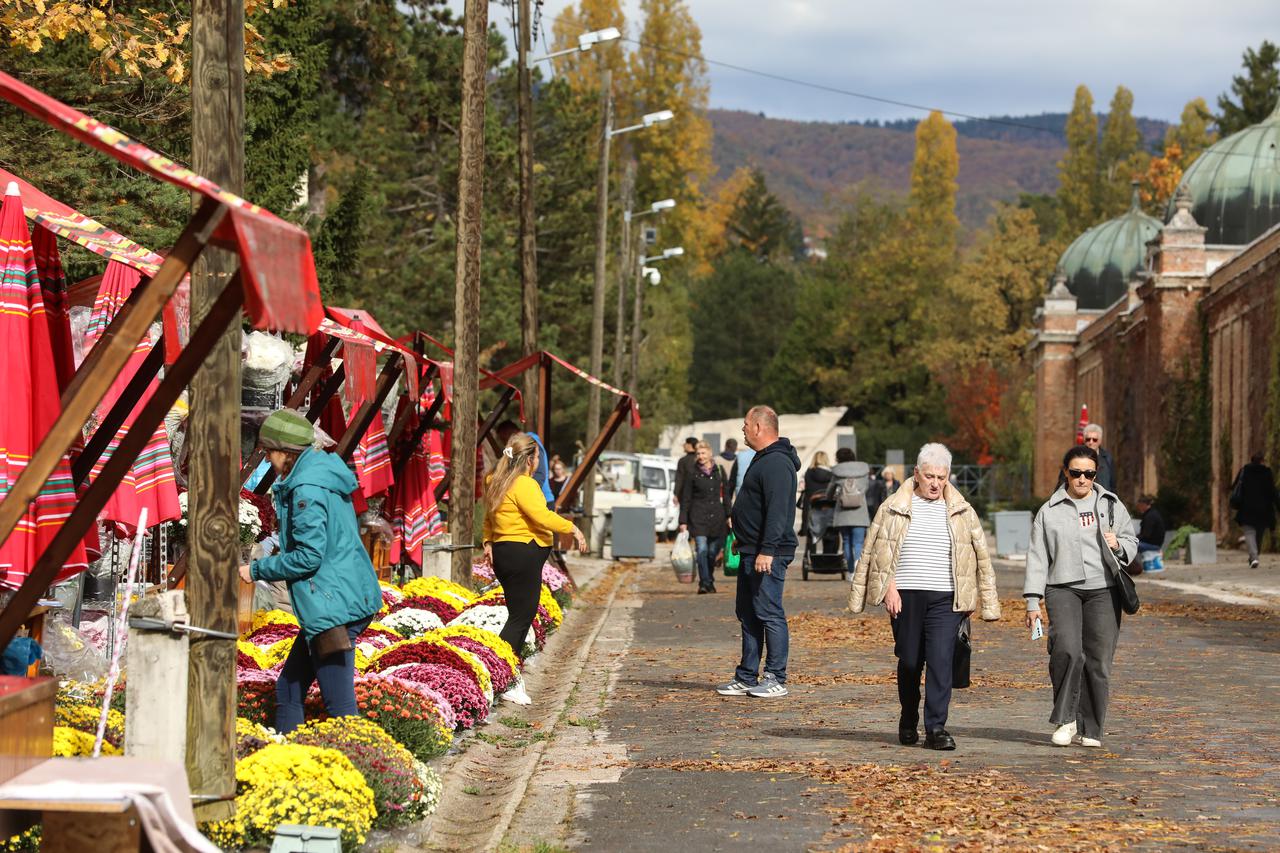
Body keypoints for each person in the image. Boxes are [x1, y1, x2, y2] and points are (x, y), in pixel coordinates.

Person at [238, 409, 382, 734]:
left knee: (340, 708)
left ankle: (359, 769)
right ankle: (290, 762)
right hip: (338, 597)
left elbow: (308, 557)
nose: (268, 459)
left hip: (333, 606)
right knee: (288, 689)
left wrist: (256, 569)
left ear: (284, 453)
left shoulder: (306, 489)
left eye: (268, 452)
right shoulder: (321, 473)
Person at [849, 443, 1000, 751]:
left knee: (941, 661)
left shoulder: (961, 511)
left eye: (941, 477)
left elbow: (980, 556)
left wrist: (976, 598)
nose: (935, 483)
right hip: (905, 596)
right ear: (916, 474)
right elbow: (875, 551)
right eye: (929, 475)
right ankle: (908, 717)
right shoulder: (893, 506)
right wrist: (888, 586)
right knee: (909, 662)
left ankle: (936, 728)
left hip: (946, 597)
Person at [1024, 445, 1138, 749]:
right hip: (1062, 588)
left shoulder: (1111, 504)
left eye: (1088, 473)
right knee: (1067, 650)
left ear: (1095, 474)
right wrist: (1033, 601)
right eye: (1076, 473)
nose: (1082, 479)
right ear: (1065, 473)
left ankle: (1092, 728)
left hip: (1104, 590)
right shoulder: (1049, 511)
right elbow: (1037, 557)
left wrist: (1119, 545)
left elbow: (1131, 541)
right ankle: (1066, 719)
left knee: (1098, 661)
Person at [482, 433, 587, 704]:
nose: (540, 462)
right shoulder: (524, 484)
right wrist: (572, 527)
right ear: (529, 459)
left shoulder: (494, 480)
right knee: (520, 619)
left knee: (516, 615)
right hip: (523, 554)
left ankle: (507, 674)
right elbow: (541, 515)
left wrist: (488, 541)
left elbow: (488, 517)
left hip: (506, 553)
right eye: (538, 456)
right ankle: (502, 677)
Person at [716, 406, 800, 700]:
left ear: (759, 427)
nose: (742, 430)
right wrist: (744, 539)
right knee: (748, 613)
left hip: (769, 553)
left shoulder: (777, 462)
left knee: (768, 612)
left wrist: (767, 549)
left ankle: (776, 676)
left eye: (745, 424)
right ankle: (747, 675)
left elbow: (778, 512)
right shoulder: (761, 458)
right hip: (751, 549)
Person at [680, 441, 731, 594]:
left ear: (710, 453)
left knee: (711, 553)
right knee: (701, 549)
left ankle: (708, 579)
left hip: (717, 518)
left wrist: (729, 515)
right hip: (698, 517)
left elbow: (726, 495)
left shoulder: (720, 471)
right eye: (698, 454)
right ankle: (705, 582)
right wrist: (683, 521)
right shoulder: (692, 472)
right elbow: (686, 498)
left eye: (703, 453)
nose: (700, 456)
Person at [1231, 453, 1279, 569]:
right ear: (1262, 461)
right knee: (1259, 533)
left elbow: (1235, 486)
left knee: (1249, 532)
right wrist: (1277, 504)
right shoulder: (1267, 472)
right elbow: (1272, 491)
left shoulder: (1244, 471)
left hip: (1247, 507)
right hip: (1263, 509)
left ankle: (1254, 557)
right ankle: (1254, 556)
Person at [825, 447, 871, 571]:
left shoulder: (837, 472)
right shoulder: (864, 470)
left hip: (842, 511)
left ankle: (850, 570)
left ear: (838, 458)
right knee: (858, 543)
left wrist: (830, 498)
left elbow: (830, 491)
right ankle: (858, 567)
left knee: (846, 541)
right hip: (860, 511)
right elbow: (866, 487)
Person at [497, 420, 554, 505]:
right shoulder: (524, 445)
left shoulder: (531, 443)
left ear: (510, 433)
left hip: (540, 500)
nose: (505, 443)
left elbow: (539, 474)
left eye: (504, 439)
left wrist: (526, 495)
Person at [798, 451, 834, 548]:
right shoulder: (832, 474)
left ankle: (809, 559)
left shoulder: (808, 472)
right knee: (828, 537)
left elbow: (800, 487)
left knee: (811, 537)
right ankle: (828, 561)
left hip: (811, 507)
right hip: (827, 507)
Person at [1134, 494, 1166, 572]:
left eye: (1139, 505)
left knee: (1129, 545)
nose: (1138, 508)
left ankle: (1132, 568)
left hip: (1152, 545)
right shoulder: (1152, 514)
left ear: (1143, 505)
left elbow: (1146, 535)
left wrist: (1133, 538)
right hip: (1156, 544)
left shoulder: (1150, 516)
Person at [1081, 424, 1115, 493]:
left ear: (1099, 441)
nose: (1091, 442)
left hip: (1104, 500)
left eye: (1094, 440)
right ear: (1084, 440)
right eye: (1088, 439)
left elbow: (1113, 485)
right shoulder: (1075, 457)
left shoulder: (1107, 458)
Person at [727, 440, 757, 506]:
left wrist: (728, 507)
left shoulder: (741, 456)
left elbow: (731, 483)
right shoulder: (773, 456)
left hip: (742, 503)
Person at [673, 436, 698, 505]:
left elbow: (679, 478)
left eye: (685, 443)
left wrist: (676, 494)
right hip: (698, 495)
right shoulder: (700, 459)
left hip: (685, 495)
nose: (683, 445)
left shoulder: (683, 461)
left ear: (690, 445)